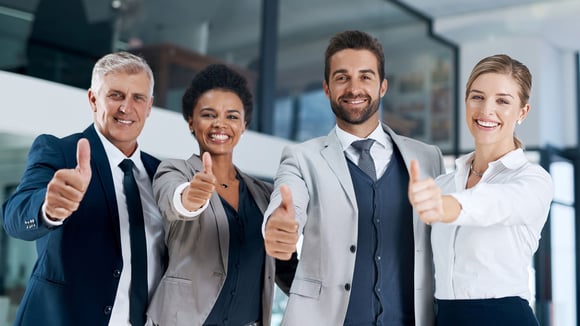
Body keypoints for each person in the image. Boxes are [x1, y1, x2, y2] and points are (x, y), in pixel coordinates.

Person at [263, 30, 445, 325]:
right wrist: (278, 227)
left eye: (365, 76)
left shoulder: (428, 158)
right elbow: (286, 203)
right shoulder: (302, 158)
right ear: (326, 88)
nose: (354, 88)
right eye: (342, 77)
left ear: (383, 86)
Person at [2, 51, 166, 326]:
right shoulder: (59, 151)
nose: (126, 107)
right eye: (115, 95)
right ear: (93, 99)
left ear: (149, 106)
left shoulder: (160, 173)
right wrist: (48, 208)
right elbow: (15, 216)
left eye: (138, 98)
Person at [146, 64, 297, 326]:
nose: (220, 124)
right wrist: (191, 197)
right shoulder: (175, 171)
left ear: (244, 125)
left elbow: (285, 270)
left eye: (232, 116)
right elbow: (173, 200)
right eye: (208, 114)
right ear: (191, 121)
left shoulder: (264, 194)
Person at [408, 54, 553, 326]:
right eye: (477, 97)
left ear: (522, 112)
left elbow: (496, 204)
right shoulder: (444, 184)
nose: (486, 110)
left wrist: (447, 207)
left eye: (502, 101)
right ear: (466, 102)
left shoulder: (533, 181)